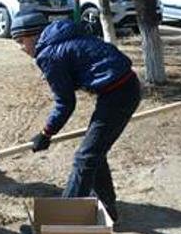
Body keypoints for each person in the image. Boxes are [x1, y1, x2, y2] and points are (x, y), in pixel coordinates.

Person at [10, 12, 141, 222]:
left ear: (32, 36)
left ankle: (61, 223)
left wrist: (46, 134)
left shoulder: (48, 53)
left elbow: (65, 103)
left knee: (85, 157)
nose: (20, 48)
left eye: (20, 41)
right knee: (93, 153)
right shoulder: (62, 37)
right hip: (121, 88)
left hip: (118, 94)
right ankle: (108, 209)